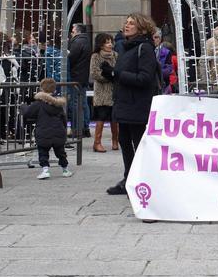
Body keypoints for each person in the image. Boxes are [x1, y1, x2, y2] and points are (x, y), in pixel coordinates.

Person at [101, 13, 160, 195]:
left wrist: (116, 75)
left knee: (138, 143)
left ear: (141, 28)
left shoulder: (145, 48)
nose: (127, 26)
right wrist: (110, 74)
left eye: (131, 23)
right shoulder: (126, 47)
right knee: (124, 141)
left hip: (138, 105)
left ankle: (142, 180)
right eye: (126, 23)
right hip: (124, 103)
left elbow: (144, 78)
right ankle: (129, 178)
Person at [21, 77, 72, 179]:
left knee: (43, 152)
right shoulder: (58, 104)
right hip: (58, 132)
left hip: (43, 133)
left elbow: (27, 113)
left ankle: (45, 170)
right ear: (54, 89)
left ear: (41, 89)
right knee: (60, 152)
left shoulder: (38, 104)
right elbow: (64, 119)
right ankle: (65, 169)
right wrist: (64, 130)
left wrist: (23, 107)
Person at [90, 32, 118, 153]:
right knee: (101, 116)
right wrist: (109, 77)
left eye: (111, 42)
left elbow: (119, 70)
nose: (110, 44)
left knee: (114, 118)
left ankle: (115, 141)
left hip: (114, 91)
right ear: (101, 45)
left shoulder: (116, 55)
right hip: (101, 92)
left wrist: (115, 76)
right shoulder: (95, 56)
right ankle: (97, 143)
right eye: (107, 42)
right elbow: (94, 73)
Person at [67, 23, 92, 137]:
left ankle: (77, 129)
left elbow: (71, 58)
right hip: (83, 76)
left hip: (76, 76)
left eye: (72, 30)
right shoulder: (86, 40)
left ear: (77, 31)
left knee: (76, 103)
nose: (71, 32)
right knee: (83, 103)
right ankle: (85, 127)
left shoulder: (77, 41)